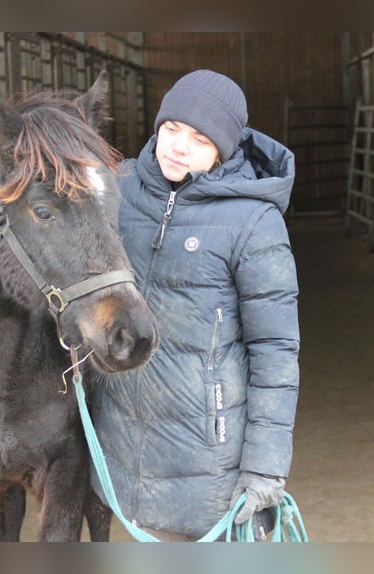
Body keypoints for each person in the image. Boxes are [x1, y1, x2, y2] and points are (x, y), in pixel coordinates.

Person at [90, 69, 300, 541]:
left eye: (200, 139)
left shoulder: (253, 223)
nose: (178, 147)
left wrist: (265, 470)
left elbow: (276, 353)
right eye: (172, 129)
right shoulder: (114, 190)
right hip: (124, 451)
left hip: (209, 460)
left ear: (224, 150)